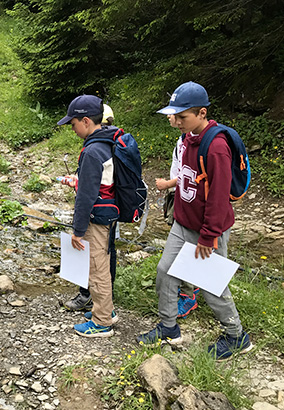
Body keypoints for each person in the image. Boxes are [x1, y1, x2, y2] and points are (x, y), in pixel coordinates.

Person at [137, 81, 253, 360]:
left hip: (206, 230)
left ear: (202, 113)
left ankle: (236, 336)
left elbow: (218, 197)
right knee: (165, 273)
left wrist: (208, 235)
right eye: (174, 116)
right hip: (183, 223)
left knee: (212, 285)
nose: (176, 122)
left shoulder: (217, 147)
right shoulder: (188, 138)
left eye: (182, 116)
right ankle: (168, 328)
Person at [57, 95, 119, 338]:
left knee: (97, 268)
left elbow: (86, 196)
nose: (72, 129)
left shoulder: (92, 151)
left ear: (85, 121)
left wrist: (78, 230)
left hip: (97, 216)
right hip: (108, 211)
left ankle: (102, 321)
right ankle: (106, 310)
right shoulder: (107, 142)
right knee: (101, 263)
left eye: (73, 124)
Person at [155, 114, 200, 319]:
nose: (171, 118)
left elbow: (189, 174)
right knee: (183, 247)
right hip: (181, 198)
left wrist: (167, 185)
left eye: (175, 115)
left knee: (186, 248)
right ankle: (190, 289)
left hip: (187, 200)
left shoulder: (198, 141)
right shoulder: (182, 140)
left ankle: (188, 294)